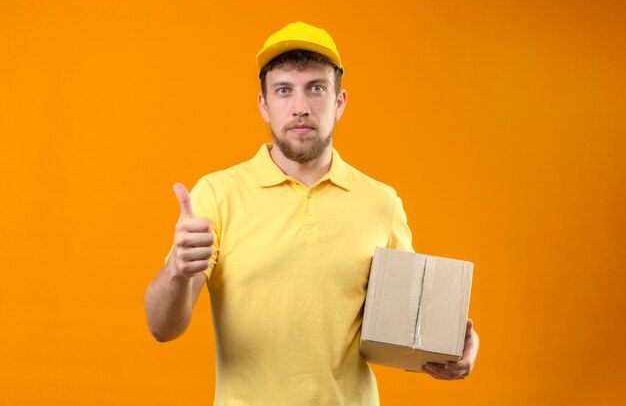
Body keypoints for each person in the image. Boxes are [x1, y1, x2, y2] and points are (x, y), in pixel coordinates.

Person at [144, 21, 479, 405]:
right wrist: (175, 272)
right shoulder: (217, 194)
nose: (300, 107)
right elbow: (161, 328)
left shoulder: (382, 203)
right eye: (283, 90)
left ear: (339, 102)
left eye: (316, 89)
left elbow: (407, 328)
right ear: (264, 105)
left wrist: (456, 346)